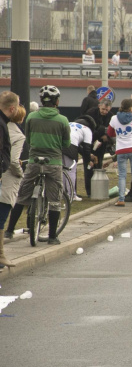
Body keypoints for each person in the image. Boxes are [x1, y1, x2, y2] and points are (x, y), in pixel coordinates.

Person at [4, 86, 70, 245]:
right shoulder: (62, 120)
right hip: (53, 163)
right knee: (54, 200)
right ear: (57, 101)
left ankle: (9, 230)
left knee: (22, 195)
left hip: (34, 161)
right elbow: (66, 143)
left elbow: (29, 139)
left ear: (41, 101)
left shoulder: (32, 117)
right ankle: (53, 237)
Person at [0, 95, 24, 267]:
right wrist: (21, 174)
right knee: (1, 218)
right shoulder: (17, 135)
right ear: (13, 109)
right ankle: (1, 257)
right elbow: (13, 161)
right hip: (6, 181)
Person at [107, 98, 132, 207]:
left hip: (121, 149)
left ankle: (121, 199)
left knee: (122, 175)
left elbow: (109, 132)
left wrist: (118, 134)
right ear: (131, 107)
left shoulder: (114, 118)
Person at [63, 114, 96, 201]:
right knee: (71, 171)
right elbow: (87, 148)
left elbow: (79, 147)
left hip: (58, 144)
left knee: (61, 170)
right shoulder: (87, 130)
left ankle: (62, 193)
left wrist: (87, 155)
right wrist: (88, 160)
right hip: (70, 145)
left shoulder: (70, 123)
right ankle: (72, 195)